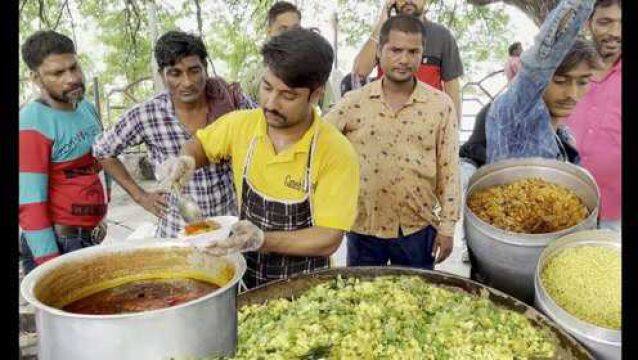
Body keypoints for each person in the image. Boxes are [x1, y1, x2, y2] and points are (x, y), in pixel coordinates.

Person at [160, 28, 360, 289]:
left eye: (287, 95)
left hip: (307, 285)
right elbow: (200, 145)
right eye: (267, 87)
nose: (270, 103)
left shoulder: (335, 151)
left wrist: (262, 240)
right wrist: (185, 160)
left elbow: (328, 237)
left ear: (315, 94)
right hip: (247, 276)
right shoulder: (242, 124)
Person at [325, 15, 459, 270]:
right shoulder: (354, 102)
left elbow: (450, 168)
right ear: (379, 51)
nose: (404, 59)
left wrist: (448, 225)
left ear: (422, 54)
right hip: (364, 227)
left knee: (415, 300)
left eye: (413, 51)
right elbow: (320, 144)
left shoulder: (440, 106)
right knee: (360, 301)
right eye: (396, 50)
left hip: (417, 228)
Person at [93, 31, 254, 238]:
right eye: (175, 73)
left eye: (194, 71)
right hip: (176, 232)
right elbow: (102, 150)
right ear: (162, 75)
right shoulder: (147, 114)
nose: (187, 82)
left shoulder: (233, 103)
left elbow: (264, 129)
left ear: (205, 67)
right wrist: (141, 197)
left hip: (228, 227)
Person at [19, 31, 108, 273]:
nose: (72, 78)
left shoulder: (87, 108)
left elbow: (98, 165)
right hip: (59, 244)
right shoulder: (32, 121)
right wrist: (50, 266)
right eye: (58, 73)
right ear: (36, 78)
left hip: (90, 235)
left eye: (74, 67)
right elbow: (30, 203)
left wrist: (100, 215)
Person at [486, 0, 599, 165]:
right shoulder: (514, 115)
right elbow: (536, 66)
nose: (572, 94)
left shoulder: (565, 138)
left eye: (582, 82)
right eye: (560, 81)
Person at [351, 0, 464, 121]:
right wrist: (381, 24)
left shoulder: (442, 36)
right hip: (385, 121)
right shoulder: (383, 33)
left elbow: (452, 89)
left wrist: (453, 129)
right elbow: (360, 71)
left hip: (428, 123)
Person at [565, 0, 622, 233]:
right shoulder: (566, 68)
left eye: (621, 23)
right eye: (605, 22)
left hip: (614, 215)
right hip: (562, 202)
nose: (615, 33)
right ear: (589, 24)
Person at [243, 1, 302, 103]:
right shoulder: (252, 78)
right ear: (270, 32)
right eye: (283, 29)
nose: (290, 35)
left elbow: (331, 109)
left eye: (295, 29)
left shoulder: (315, 71)